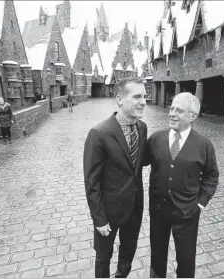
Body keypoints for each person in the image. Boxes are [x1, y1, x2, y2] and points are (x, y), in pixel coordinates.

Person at [146, 92, 219, 278]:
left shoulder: (204, 144)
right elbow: (136, 163)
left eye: (178, 110)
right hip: (158, 211)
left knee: (186, 259)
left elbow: (211, 176)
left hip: (187, 213)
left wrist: (200, 204)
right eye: (171, 108)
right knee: (157, 255)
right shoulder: (156, 139)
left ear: (192, 116)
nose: (171, 113)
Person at [83, 77, 148, 278]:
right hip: (108, 212)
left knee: (128, 251)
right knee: (103, 258)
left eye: (144, 96)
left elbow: (139, 162)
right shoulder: (99, 133)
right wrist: (99, 219)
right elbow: (91, 182)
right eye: (137, 96)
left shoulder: (142, 128)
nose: (143, 101)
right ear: (120, 99)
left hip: (135, 207)